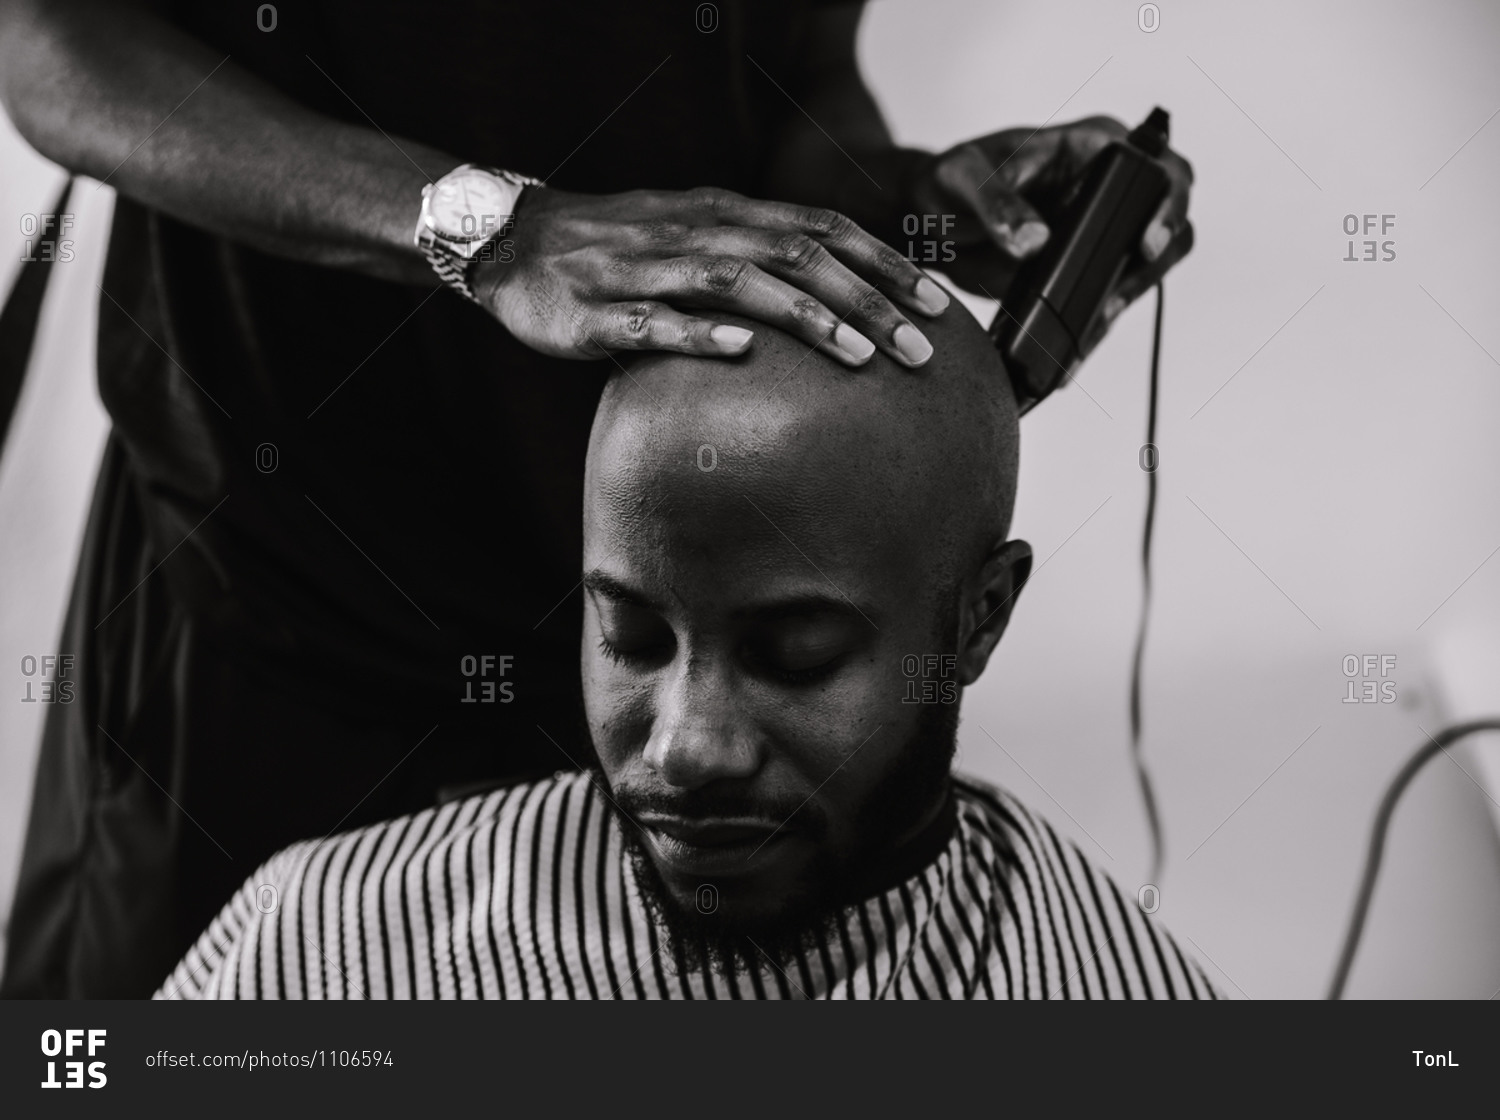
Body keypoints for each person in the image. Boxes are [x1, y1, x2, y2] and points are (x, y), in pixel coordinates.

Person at [0, 0, 1192, 997]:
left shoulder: (685, 702)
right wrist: (485, 226)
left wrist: (915, 198)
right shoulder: (290, 929)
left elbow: (788, 69)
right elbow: (51, 40)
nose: (697, 738)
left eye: (802, 652)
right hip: (272, 577)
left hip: (633, 597)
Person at [158, 300, 1216, 999]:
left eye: (793, 653)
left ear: (978, 619)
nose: (687, 747)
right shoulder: (322, 951)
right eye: (631, 636)